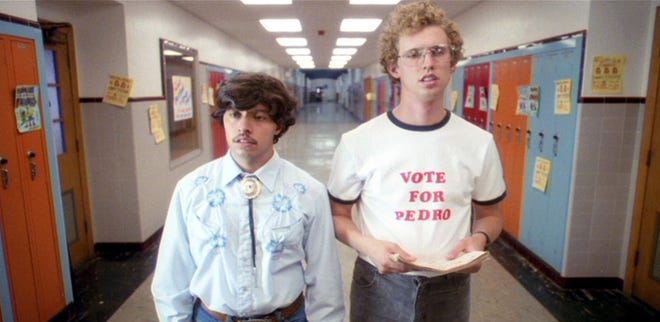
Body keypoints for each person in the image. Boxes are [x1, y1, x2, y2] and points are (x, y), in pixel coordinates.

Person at [327, 1, 507, 321]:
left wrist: (479, 239)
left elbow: (491, 214)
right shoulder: (358, 142)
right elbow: (338, 215)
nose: (428, 63)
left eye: (438, 51)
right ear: (394, 68)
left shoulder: (478, 143)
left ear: (452, 63)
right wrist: (368, 245)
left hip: (449, 287)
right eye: (414, 54)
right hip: (378, 283)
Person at [152, 72, 345, 322]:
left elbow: (325, 276)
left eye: (259, 117)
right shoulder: (192, 189)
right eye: (234, 114)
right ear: (223, 119)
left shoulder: (308, 191)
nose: (243, 127)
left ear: (279, 125)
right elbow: (171, 275)